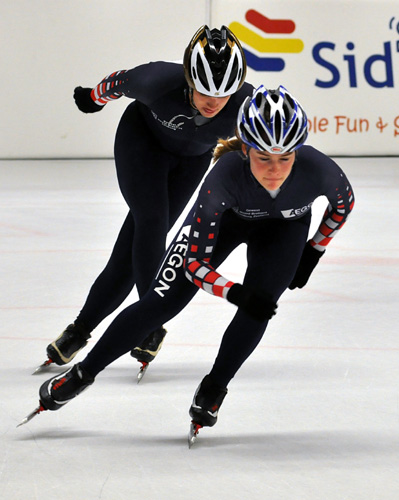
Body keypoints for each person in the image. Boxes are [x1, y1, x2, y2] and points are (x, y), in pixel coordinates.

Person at [27, 86, 355, 436]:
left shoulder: (321, 171)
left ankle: (215, 386)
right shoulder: (222, 180)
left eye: (285, 159)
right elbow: (195, 265)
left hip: (284, 230)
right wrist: (233, 292)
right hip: (228, 220)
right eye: (263, 158)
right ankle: (83, 373)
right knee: (161, 302)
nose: (274, 170)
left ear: (298, 152)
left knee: (260, 307)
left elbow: (343, 207)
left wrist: (314, 250)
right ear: (245, 149)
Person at [42, 26, 254, 371]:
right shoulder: (157, 80)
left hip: (192, 160)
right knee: (152, 221)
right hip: (141, 143)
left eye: (224, 94)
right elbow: (117, 82)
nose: (213, 103)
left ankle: (79, 331)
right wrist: (92, 98)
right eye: (203, 92)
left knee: (136, 242)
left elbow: (277, 144)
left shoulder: (249, 106)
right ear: (188, 79)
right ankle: (149, 323)